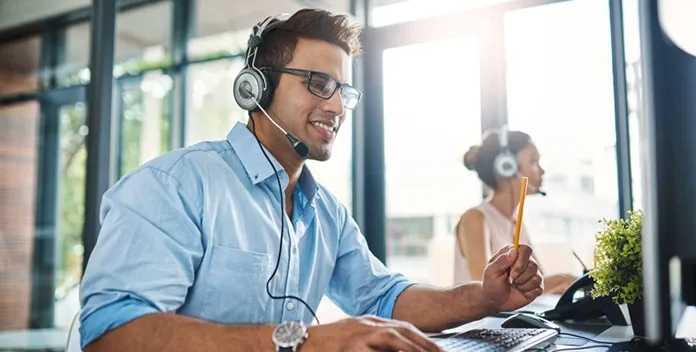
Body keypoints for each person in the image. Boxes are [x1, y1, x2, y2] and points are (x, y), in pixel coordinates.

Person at [79, 9, 544, 352]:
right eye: (318, 84)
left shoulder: (325, 213)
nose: (338, 107)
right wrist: (300, 340)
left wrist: (483, 297)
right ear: (255, 87)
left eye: (343, 90)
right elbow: (113, 332)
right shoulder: (175, 185)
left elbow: (384, 296)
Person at [455, 128, 578, 295]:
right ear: (507, 166)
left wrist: (567, 284)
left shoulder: (515, 223)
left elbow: (536, 283)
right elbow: (485, 290)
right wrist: (562, 280)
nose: (541, 171)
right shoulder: (475, 219)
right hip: (480, 321)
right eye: (533, 161)